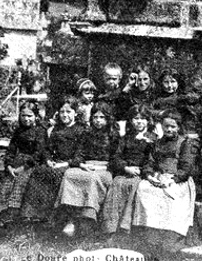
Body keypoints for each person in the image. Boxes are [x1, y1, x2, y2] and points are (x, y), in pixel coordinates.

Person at [0, 101, 47, 244]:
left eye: (30, 115)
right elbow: (11, 150)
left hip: (32, 166)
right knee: (4, 186)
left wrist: (24, 167)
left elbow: (39, 154)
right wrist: (9, 164)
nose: (26, 119)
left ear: (36, 116)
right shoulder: (18, 130)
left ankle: (2, 227)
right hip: (16, 164)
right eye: (23, 115)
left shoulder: (41, 131)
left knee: (18, 188)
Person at [132, 111, 196, 254]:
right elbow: (150, 162)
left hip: (177, 179)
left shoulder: (185, 143)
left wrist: (174, 179)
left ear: (178, 127)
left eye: (173, 127)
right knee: (144, 189)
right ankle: (150, 232)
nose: (169, 130)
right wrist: (149, 176)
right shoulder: (157, 143)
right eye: (166, 126)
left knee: (172, 194)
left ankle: (171, 235)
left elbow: (187, 167)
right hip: (158, 176)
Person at [20, 96, 85, 222]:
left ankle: (49, 216)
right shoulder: (57, 129)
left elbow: (80, 155)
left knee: (55, 175)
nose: (64, 115)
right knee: (38, 171)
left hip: (70, 164)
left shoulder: (80, 130)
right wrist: (48, 159)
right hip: (55, 162)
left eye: (68, 112)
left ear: (75, 113)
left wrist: (65, 164)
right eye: (62, 112)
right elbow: (48, 149)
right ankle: (30, 214)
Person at [56, 101, 114, 237]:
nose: (98, 121)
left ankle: (88, 220)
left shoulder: (113, 135)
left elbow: (115, 159)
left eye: (102, 117)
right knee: (70, 174)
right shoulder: (87, 133)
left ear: (108, 118)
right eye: (95, 117)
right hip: (87, 166)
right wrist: (82, 165)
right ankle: (70, 218)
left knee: (92, 178)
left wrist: (100, 167)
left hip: (104, 169)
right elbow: (79, 154)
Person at [100, 104, 155, 238]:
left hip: (141, 174)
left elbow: (152, 160)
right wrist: (126, 168)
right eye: (136, 118)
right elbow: (116, 157)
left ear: (148, 121)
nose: (139, 122)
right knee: (116, 185)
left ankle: (126, 228)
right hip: (125, 172)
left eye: (143, 118)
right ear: (131, 120)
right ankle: (110, 229)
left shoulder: (153, 139)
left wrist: (142, 171)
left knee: (134, 187)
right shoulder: (125, 138)